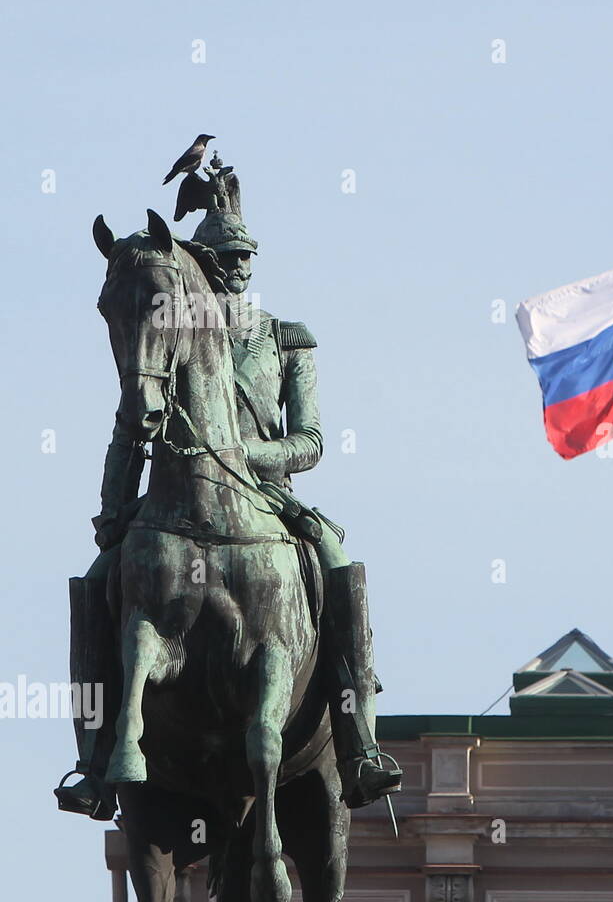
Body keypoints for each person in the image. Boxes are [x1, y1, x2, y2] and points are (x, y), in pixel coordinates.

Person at [54, 210, 401, 818]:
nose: (235, 269)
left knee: (339, 563)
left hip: (267, 498)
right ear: (200, 269)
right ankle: (93, 756)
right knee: (96, 583)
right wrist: (113, 508)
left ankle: (358, 744)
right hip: (173, 502)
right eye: (222, 258)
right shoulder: (168, 333)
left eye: (243, 256)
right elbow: (130, 424)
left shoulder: (284, 338)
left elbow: (310, 441)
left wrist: (244, 456)